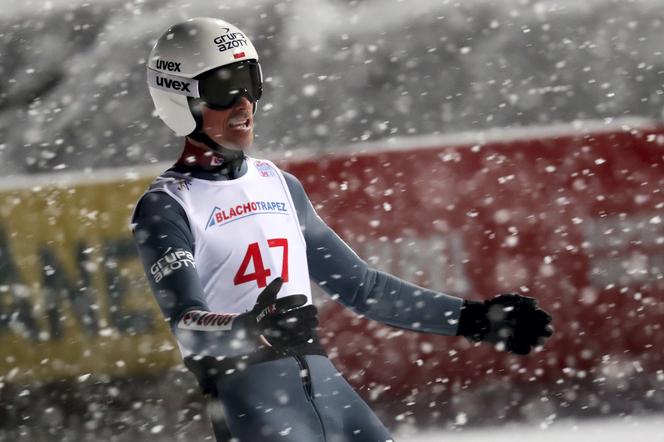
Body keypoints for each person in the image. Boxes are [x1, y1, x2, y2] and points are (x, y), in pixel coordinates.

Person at [131, 17, 554, 442]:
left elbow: (363, 288)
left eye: (249, 81)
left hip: (332, 398)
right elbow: (188, 324)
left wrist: (473, 319)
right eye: (223, 88)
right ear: (180, 99)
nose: (243, 103)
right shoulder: (166, 206)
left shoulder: (279, 184)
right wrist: (247, 327)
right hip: (256, 409)